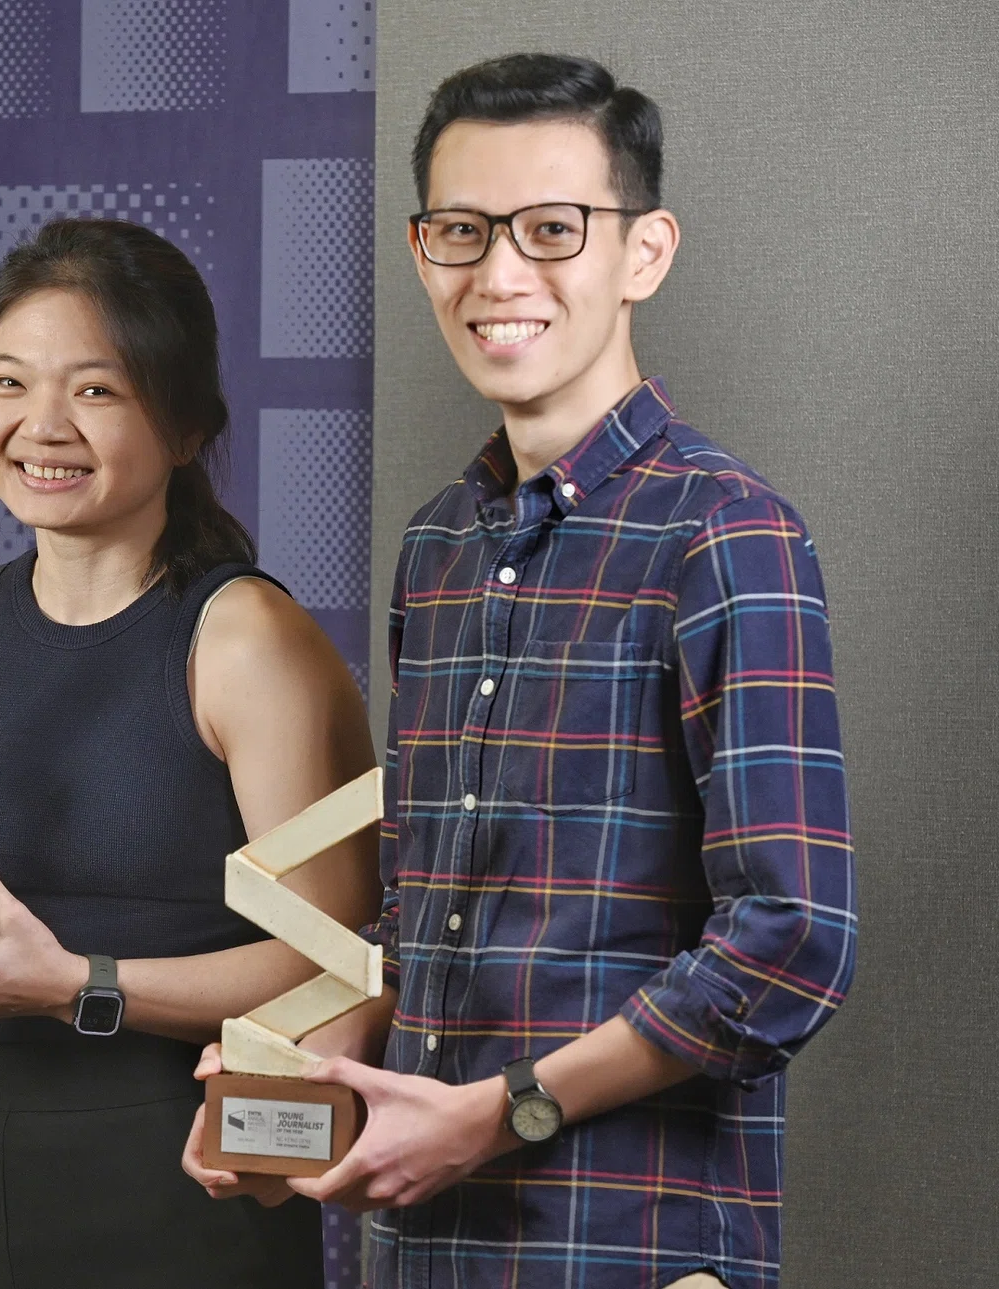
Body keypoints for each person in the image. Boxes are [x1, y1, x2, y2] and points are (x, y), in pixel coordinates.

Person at [187, 54, 857, 1289]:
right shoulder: (440, 544)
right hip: (430, 1249)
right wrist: (294, 1079)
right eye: (462, 231)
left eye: (553, 230)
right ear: (420, 248)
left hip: (637, 1250)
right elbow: (424, 914)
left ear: (643, 252)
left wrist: (502, 1111)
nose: (500, 274)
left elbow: (788, 941)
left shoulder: (727, 532)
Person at [0, 217, 380, 1288]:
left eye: (96, 389)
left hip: (188, 1169)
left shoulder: (248, 642)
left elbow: (337, 963)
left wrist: (74, 983)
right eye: (8, 382)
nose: (41, 424)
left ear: (187, 423)